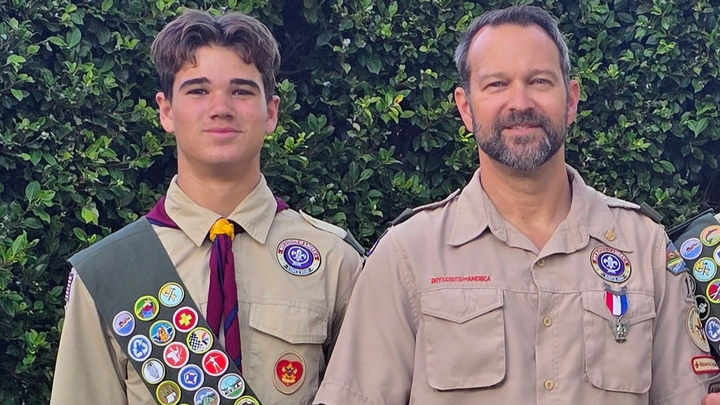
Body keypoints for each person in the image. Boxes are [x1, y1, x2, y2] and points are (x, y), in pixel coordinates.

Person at [313, 5, 719, 405]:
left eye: (539, 81)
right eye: (496, 84)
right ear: (466, 107)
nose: (520, 102)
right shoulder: (407, 255)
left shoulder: (645, 248)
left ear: (571, 100)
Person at [51, 9, 364, 405]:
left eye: (242, 91)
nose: (220, 108)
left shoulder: (336, 261)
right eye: (198, 91)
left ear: (270, 112)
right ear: (166, 111)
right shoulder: (108, 274)